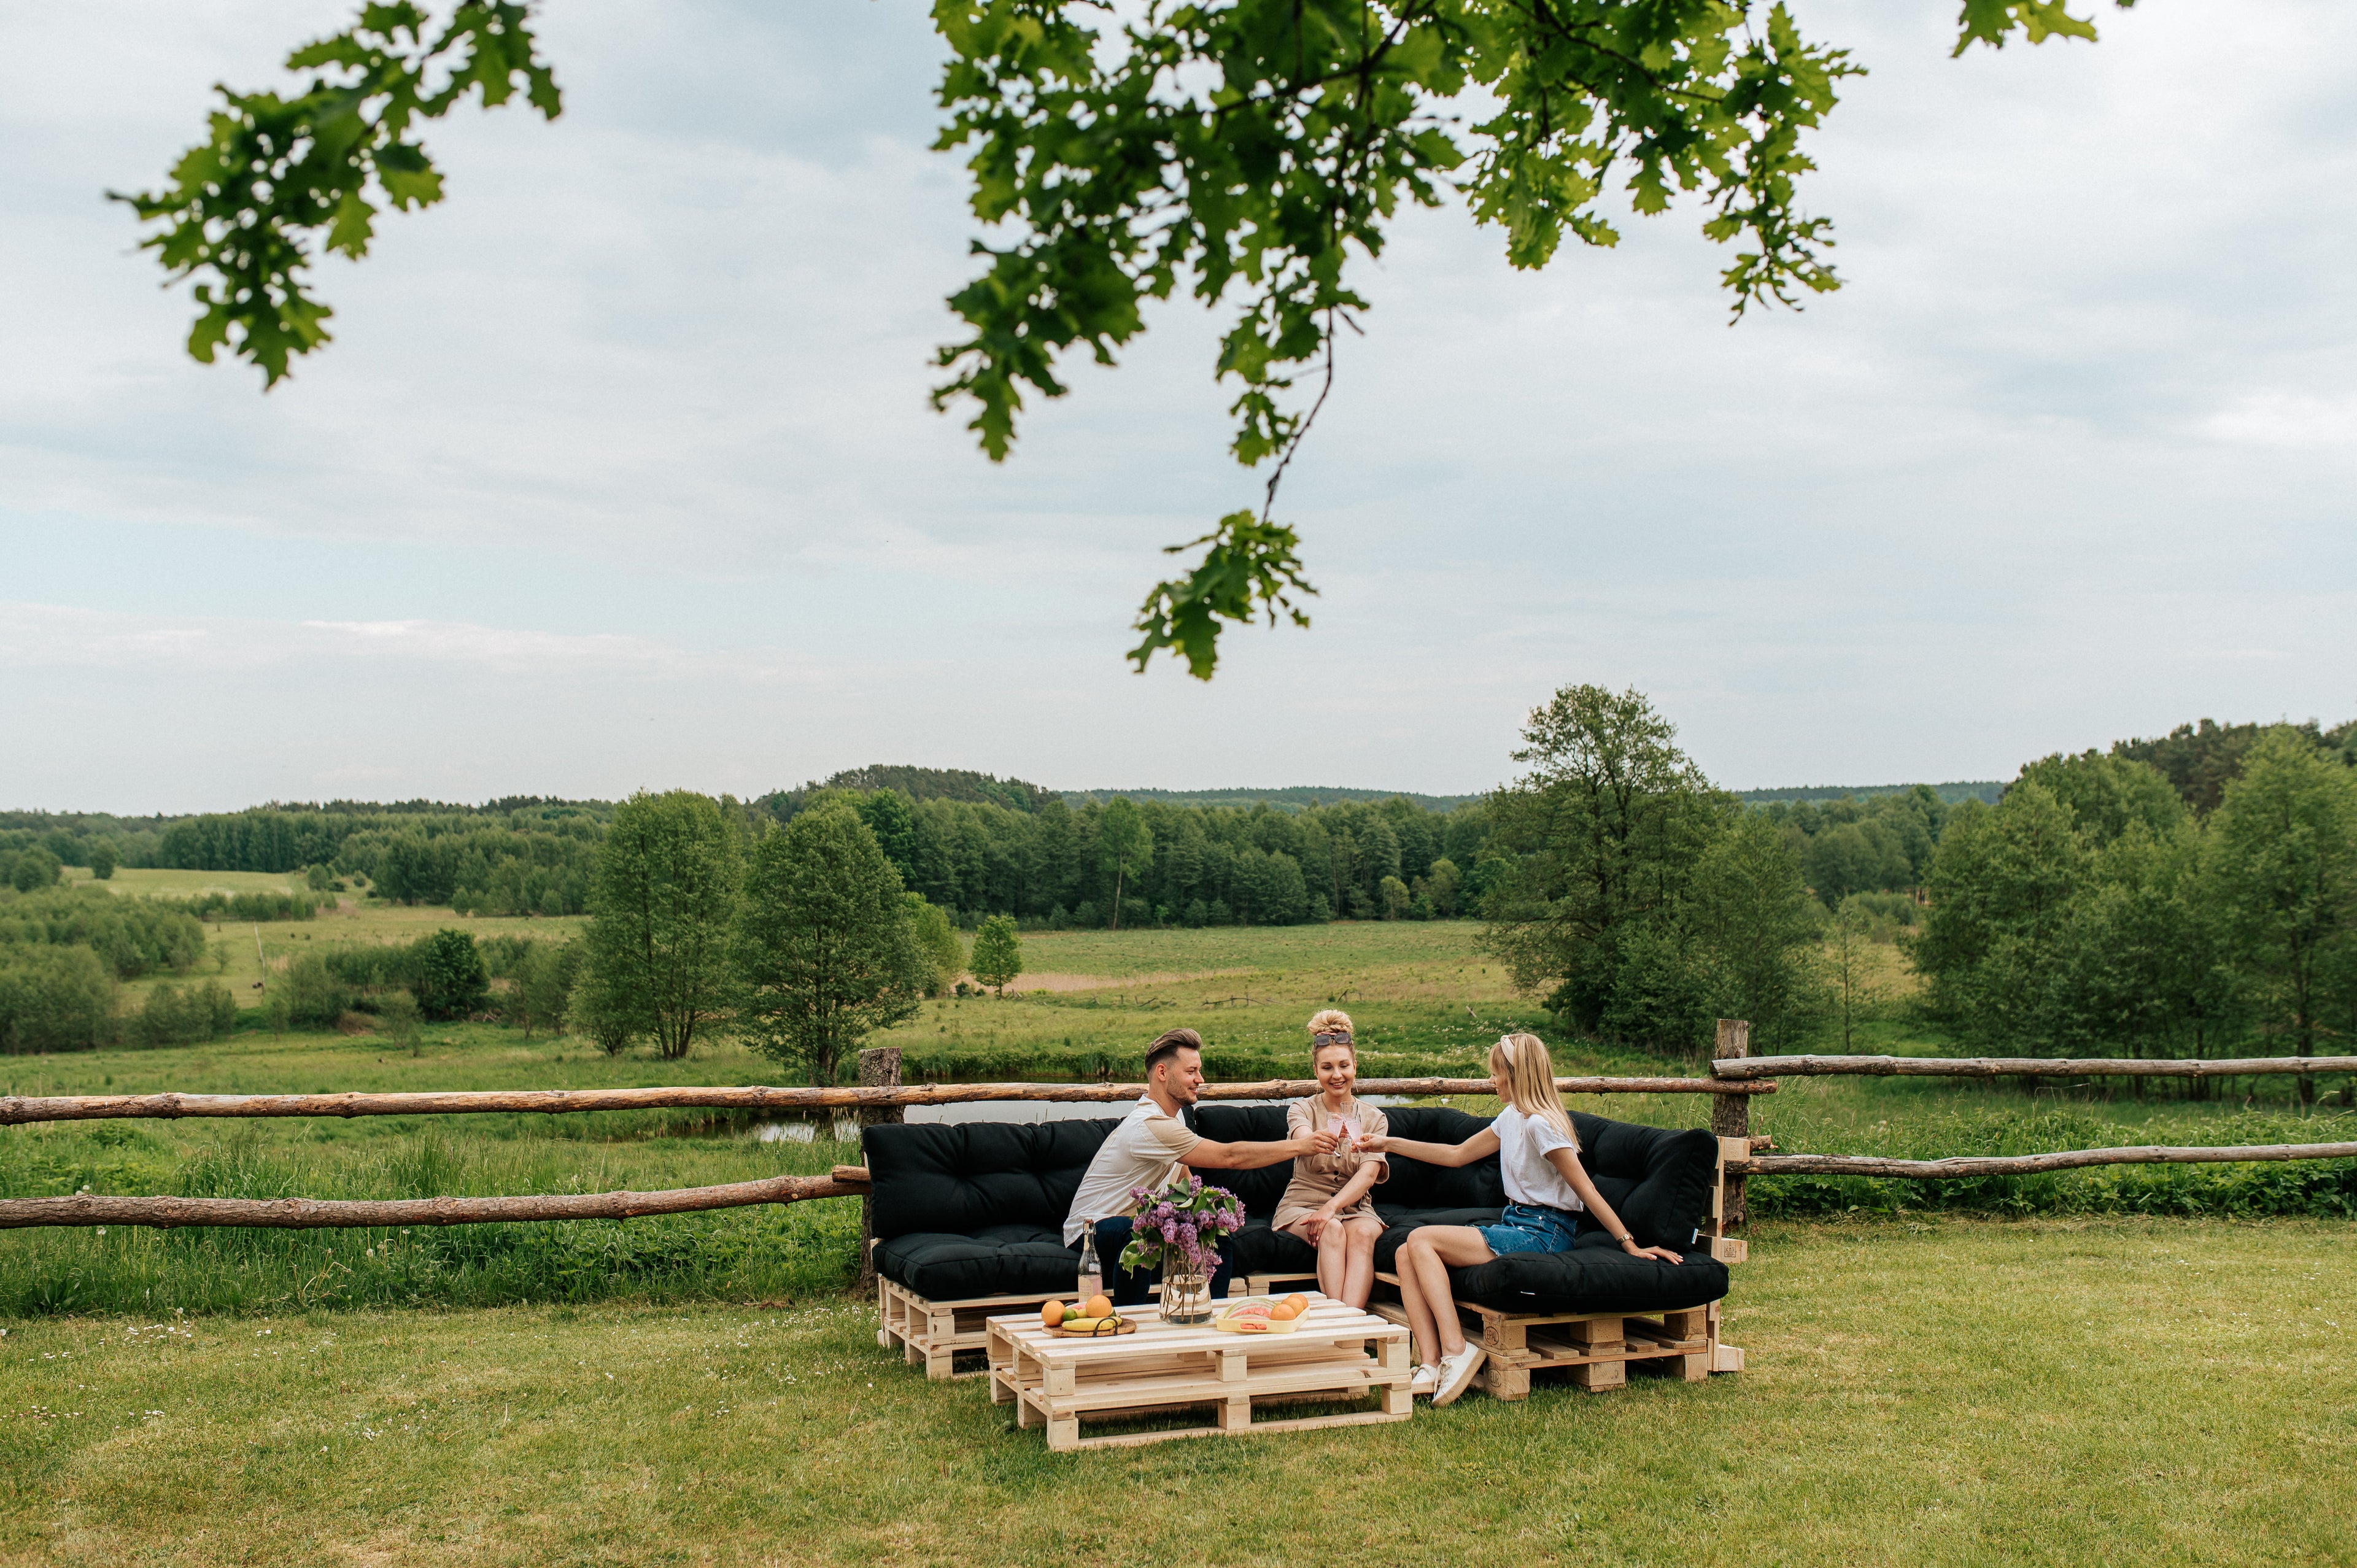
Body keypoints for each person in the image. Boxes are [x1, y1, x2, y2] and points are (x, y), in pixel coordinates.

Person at [1358, 1032, 1684, 1406]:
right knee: (1404, 1252)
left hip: (1546, 1231)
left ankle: (1456, 1348)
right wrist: (1389, 1144)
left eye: (1497, 1073)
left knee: (1421, 1240)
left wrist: (1629, 1243)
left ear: (1516, 1075)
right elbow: (1456, 1155)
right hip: (1517, 1224)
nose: (1492, 1081)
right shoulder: (1511, 1117)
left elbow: (1586, 1190)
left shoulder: (1541, 1125)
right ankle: (1432, 1364)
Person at [1064, 1027, 1337, 1306]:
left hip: (1136, 1223)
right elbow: (1230, 1157)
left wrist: (1209, 1214)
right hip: (1089, 1230)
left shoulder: (1173, 1118)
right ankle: (1130, 1325)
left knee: (1218, 1237)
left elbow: (1186, 1180)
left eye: (1199, 1071)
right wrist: (1300, 1146)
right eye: (1192, 1071)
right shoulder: (1148, 1125)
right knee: (1137, 1233)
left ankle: (1209, 1321)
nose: (1200, 1079)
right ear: (1162, 1073)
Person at [1271, 1010, 1389, 1309]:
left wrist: (1332, 1207)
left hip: (1354, 1206)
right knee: (1331, 1228)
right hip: (1303, 1202)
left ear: (1355, 1067)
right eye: (1327, 1067)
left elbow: (1367, 1175)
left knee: (1363, 1233)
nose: (1337, 1075)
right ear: (1316, 1071)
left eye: (1343, 1066)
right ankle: (1339, 1324)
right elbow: (1299, 1136)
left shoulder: (1375, 1118)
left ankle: (1348, 1327)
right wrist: (1311, 1141)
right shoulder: (1302, 1109)